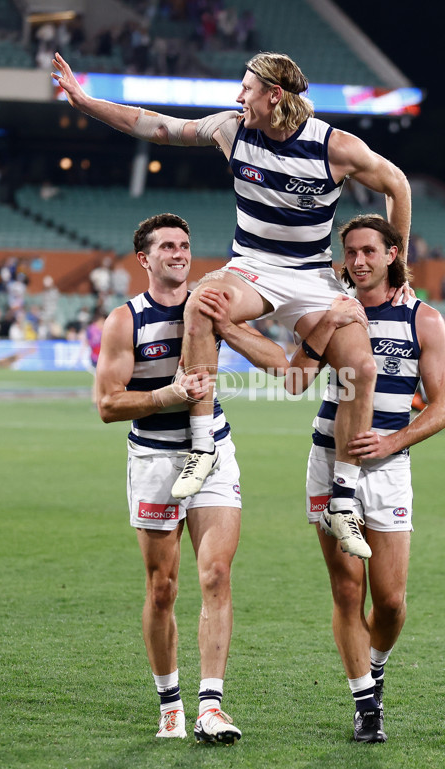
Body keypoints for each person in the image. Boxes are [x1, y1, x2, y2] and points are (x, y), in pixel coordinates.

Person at [52, 50, 412, 560]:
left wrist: (397, 271)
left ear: (274, 96)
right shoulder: (230, 130)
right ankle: (202, 448)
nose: (237, 97)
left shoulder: (336, 147)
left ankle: (344, 500)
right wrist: (86, 102)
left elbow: (396, 183)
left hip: (311, 275)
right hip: (253, 267)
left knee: (361, 364)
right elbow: (153, 125)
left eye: (246, 89)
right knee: (203, 301)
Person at [95, 212, 287, 745]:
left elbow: (281, 365)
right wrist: (165, 396)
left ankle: (211, 706)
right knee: (163, 588)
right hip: (156, 459)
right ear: (144, 259)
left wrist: (230, 328)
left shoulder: (213, 304)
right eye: (167, 247)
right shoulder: (125, 321)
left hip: (214, 451)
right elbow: (109, 404)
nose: (179, 253)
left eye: (184, 245)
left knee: (215, 576)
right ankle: (169, 704)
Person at [287, 214, 445, 742]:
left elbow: (442, 406)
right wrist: (319, 328)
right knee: (346, 590)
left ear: (392, 254)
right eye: (350, 252)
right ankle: (366, 705)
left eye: (368, 251)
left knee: (391, 602)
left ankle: (374, 667)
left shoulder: (422, 319)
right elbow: (294, 379)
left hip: (388, 468)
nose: (358, 261)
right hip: (329, 461)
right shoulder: (334, 312)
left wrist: (390, 441)